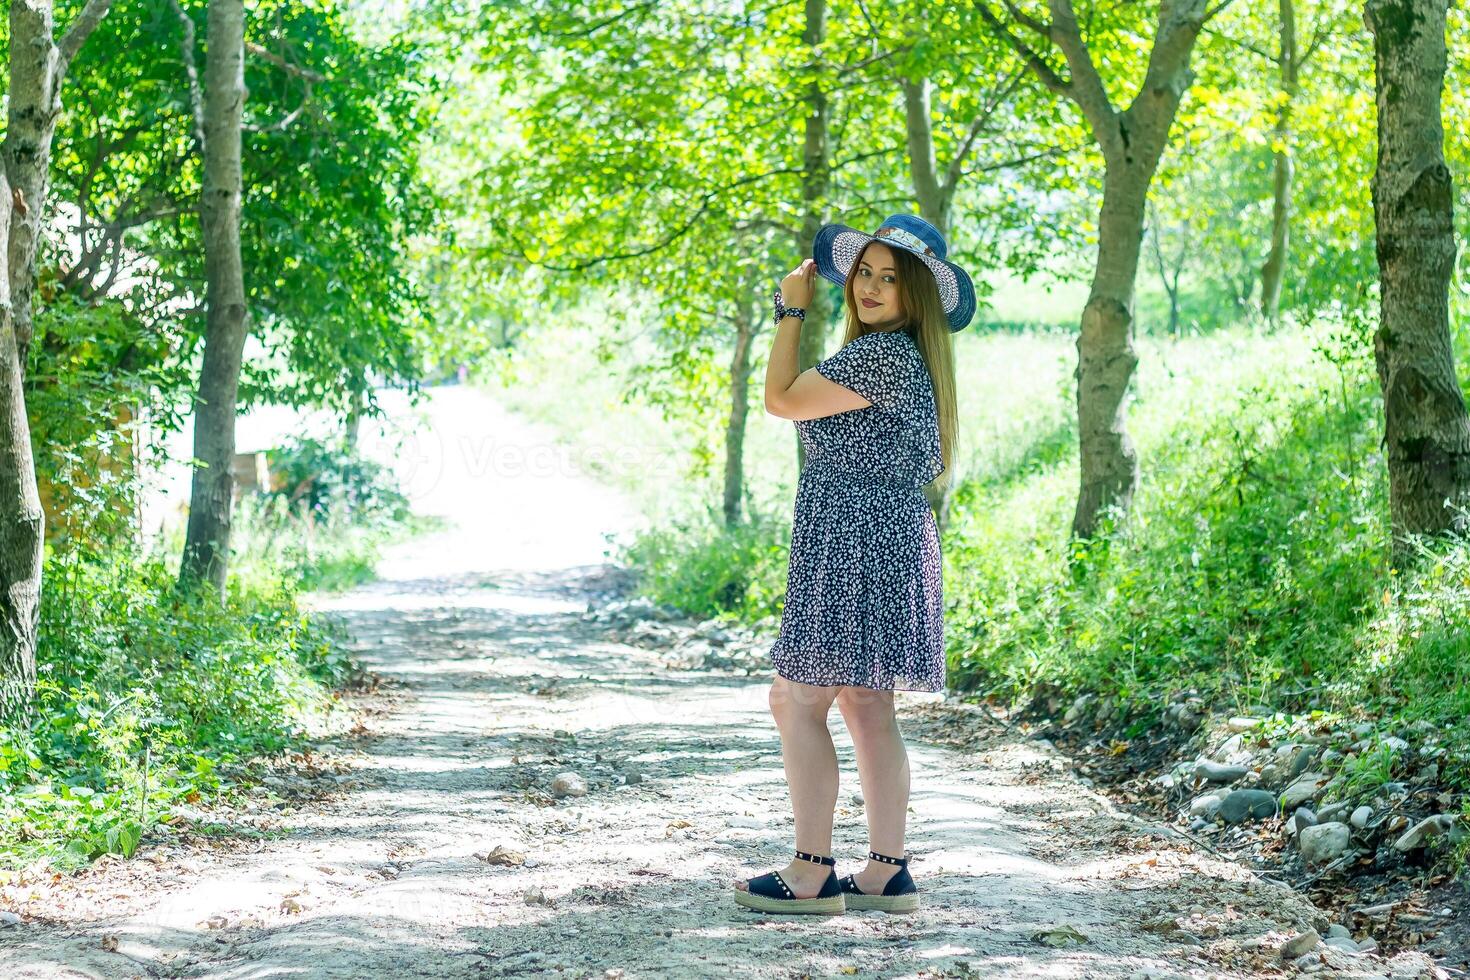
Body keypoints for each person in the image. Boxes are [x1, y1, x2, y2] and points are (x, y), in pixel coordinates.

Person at [733, 213, 974, 916]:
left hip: (857, 540)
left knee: (796, 699)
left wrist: (789, 311)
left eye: (889, 277)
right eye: (864, 271)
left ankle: (810, 871)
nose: (870, 287)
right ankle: (886, 871)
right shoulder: (902, 356)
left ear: (916, 295)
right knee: (868, 705)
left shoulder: (881, 356)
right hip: (883, 536)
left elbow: (780, 398)